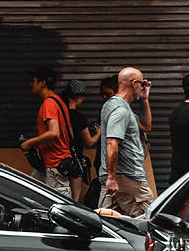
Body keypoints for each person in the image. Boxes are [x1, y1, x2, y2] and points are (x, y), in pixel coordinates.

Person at [98, 66, 154, 217]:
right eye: (142, 84)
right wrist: (111, 178)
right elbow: (112, 143)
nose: (143, 87)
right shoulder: (121, 110)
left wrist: (145, 99)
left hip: (118, 179)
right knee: (149, 223)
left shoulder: (115, 106)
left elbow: (146, 126)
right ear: (134, 83)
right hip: (129, 179)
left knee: (106, 225)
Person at [19, 65, 73, 198]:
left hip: (55, 164)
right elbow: (69, 133)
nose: (30, 83)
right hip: (49, 163)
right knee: (31, 193)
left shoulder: (49, 103)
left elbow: (54, 133)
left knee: (61, 204)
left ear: (42, 83)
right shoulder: (59, 102)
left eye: (34, 80)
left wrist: (30, 142)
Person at [61, 79, 100, 203]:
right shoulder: (79, 118)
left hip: (59, 159)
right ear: (78, 97)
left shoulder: (59, 115)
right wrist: (98, 133)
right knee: (74, 198)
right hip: (74, 161)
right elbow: (89, 142)